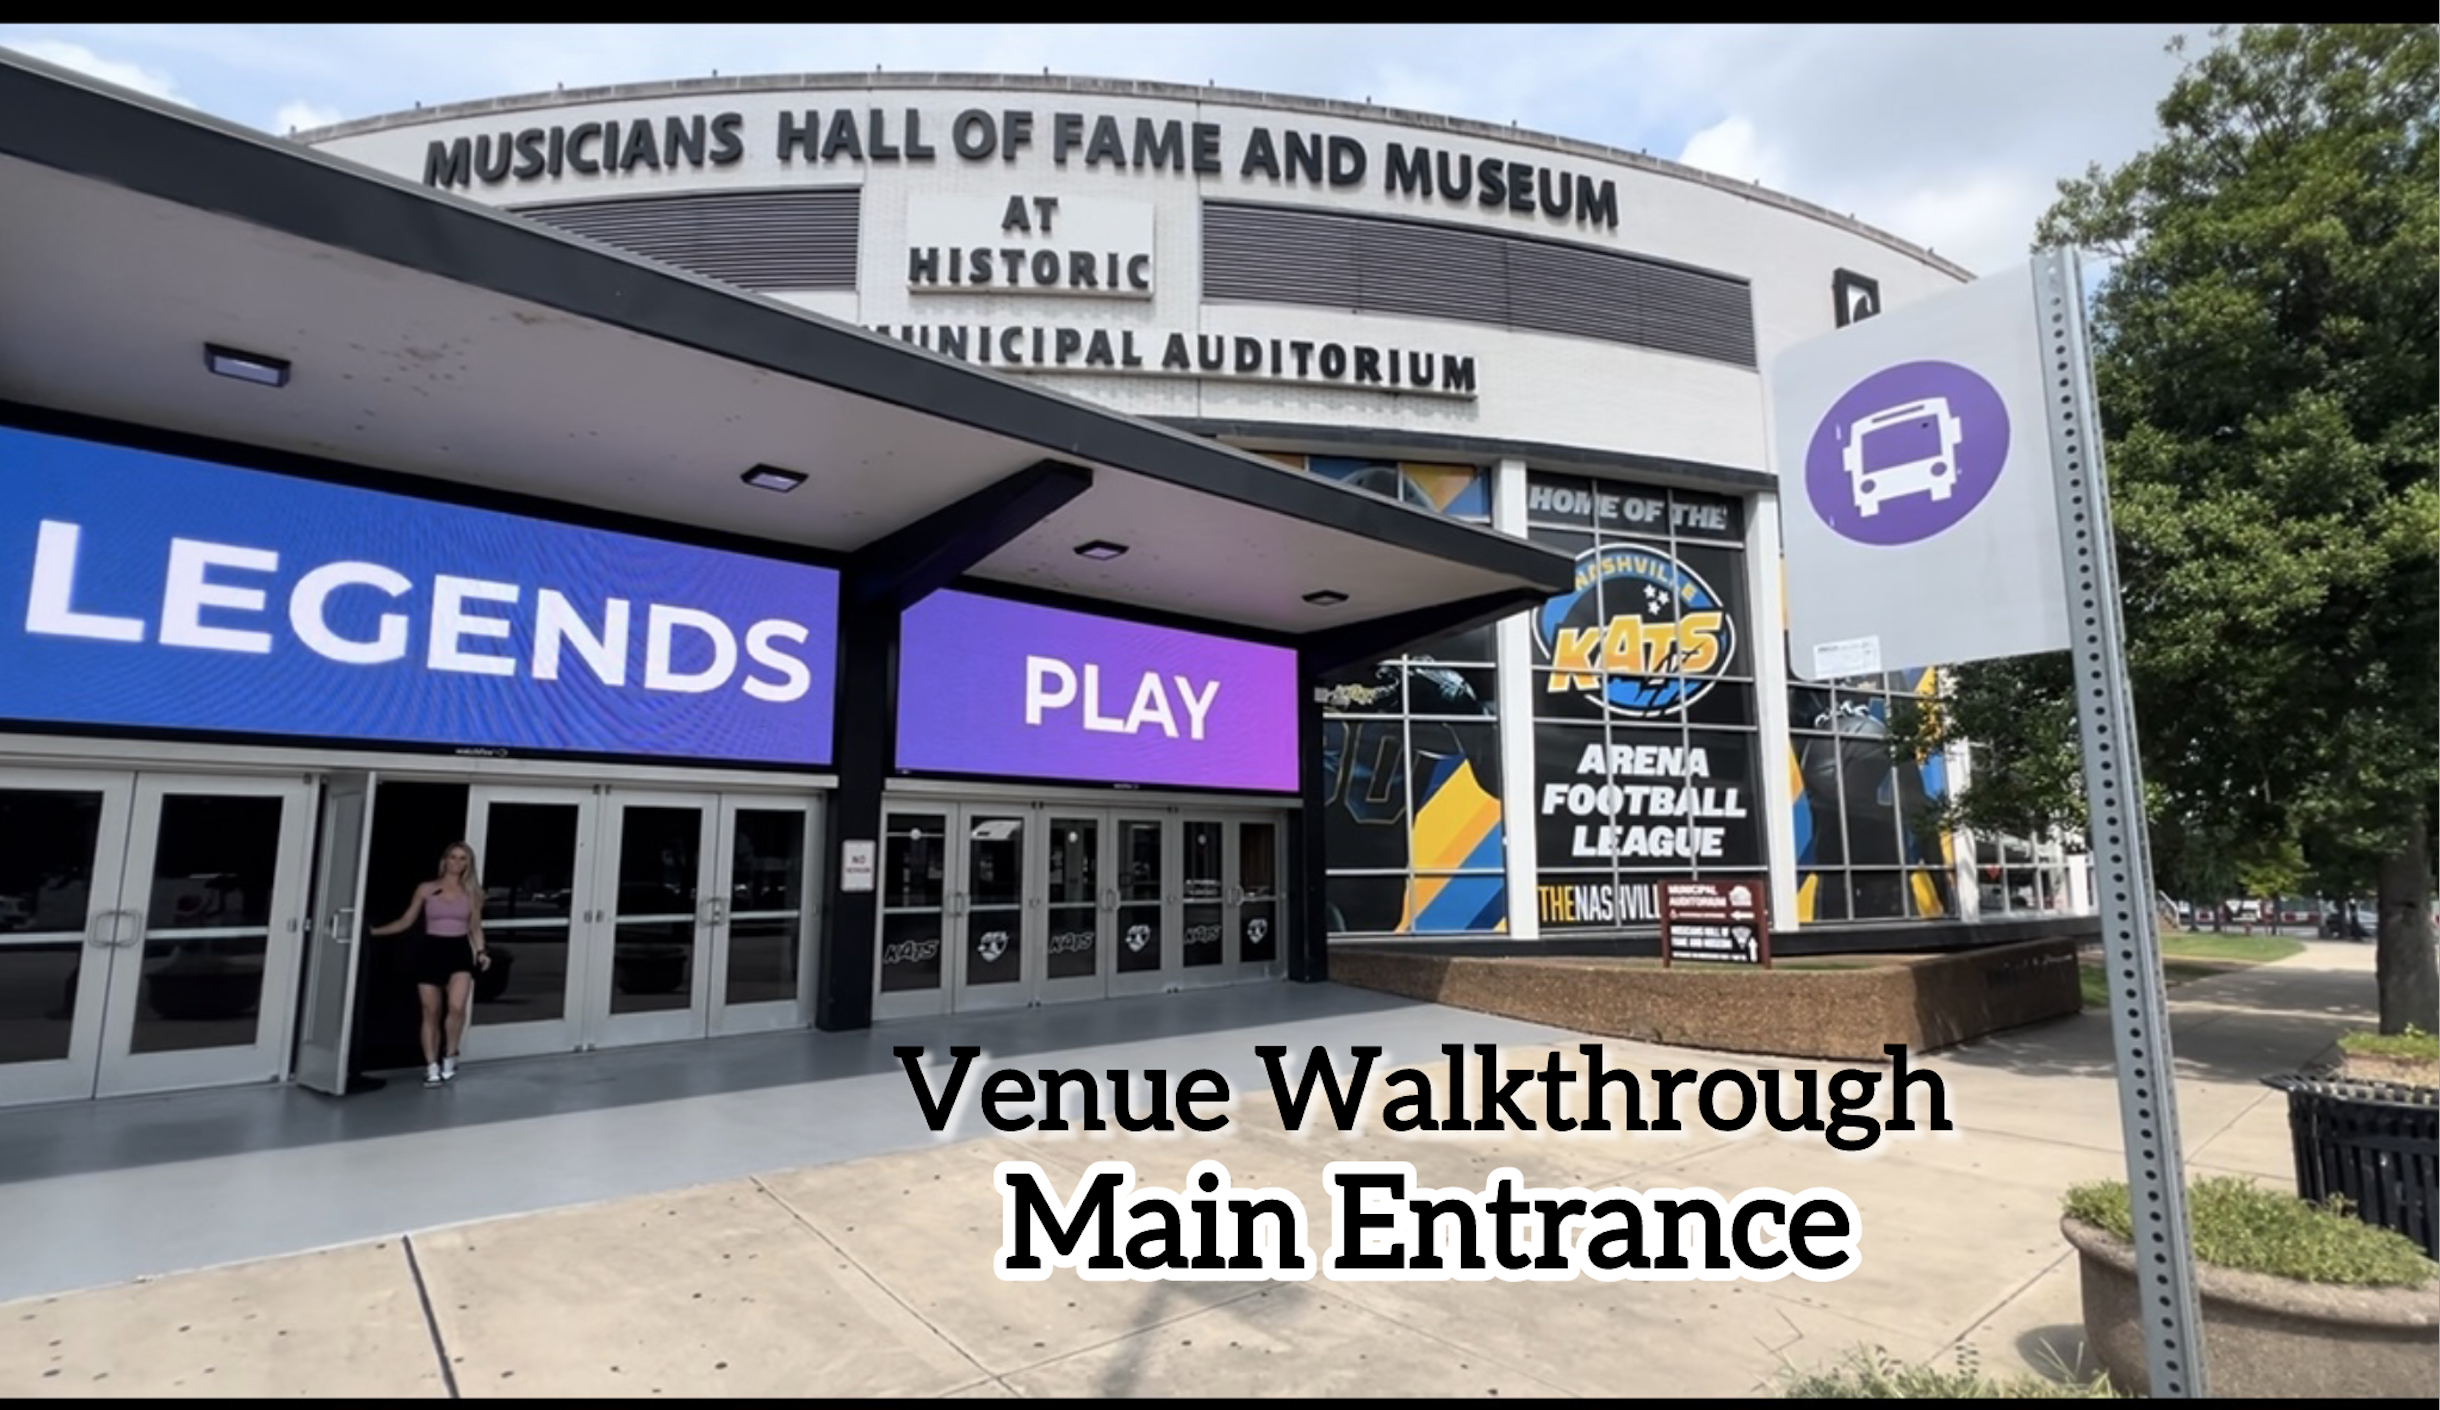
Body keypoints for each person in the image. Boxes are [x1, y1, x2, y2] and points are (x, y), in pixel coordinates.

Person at [369, 842, 491, 1087]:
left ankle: (451, 1053)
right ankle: (431, 1066)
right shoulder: (426, 889)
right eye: (453, 857)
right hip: (431, 951)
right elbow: (406, 920)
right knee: (430, 1011)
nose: (457, 863)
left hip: (458, 952)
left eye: (463, 858)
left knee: (456, 1007)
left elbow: (475, 927)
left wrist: (481, 951)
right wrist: (374, 932)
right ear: (444, 860)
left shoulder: (472, 892)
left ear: (468, 863)